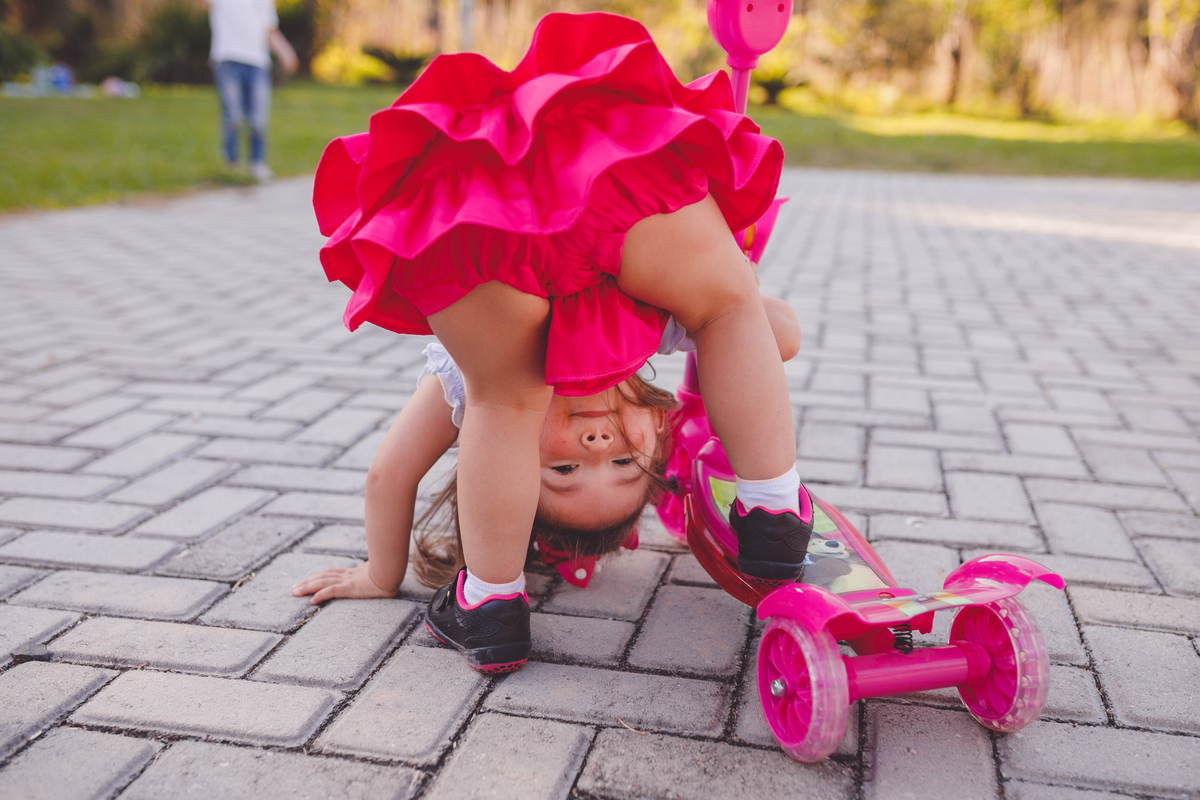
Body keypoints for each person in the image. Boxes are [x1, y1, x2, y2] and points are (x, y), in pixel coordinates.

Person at [300, 12, 814, 674]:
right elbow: (782, 337)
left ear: (500, 480)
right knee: (730, 308)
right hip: (605, 174)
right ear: (661, 424)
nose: (600, 448)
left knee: (504, 399)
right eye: (628, 464)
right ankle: (771, 507)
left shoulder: (460, 383)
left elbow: (388, 476)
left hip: (479, 207)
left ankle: (490, 600)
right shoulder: (661, 324)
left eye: (565, 470)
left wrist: (381, 570)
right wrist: (729, 308)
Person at [207, 0, 297, 181]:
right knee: (232, 116)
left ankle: (257, 162)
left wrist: (285, 51)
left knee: (258, 119)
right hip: (227, 60)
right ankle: (231, 162)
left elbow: (269, 29)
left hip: (258, 64)